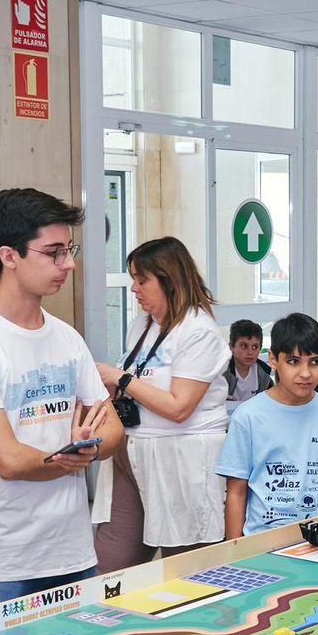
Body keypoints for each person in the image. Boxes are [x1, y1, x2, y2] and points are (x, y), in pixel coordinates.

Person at [0, 190, 120, 611]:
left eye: (69, 250)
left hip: (74, 550)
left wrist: (89, 449)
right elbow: (8, 460)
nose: (69, 264)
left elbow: (111, 429)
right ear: (9, 255)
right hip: (7, 563)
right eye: (54, 252)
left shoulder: (66, 337)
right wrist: (70, 457)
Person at [94, 237, 230, 566]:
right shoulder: (142, 323)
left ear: (169, 281)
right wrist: (117, 389)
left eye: (142, 281)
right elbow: (142, 380)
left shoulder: (199, 330)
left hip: (180, 456)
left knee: (181, 564)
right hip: (132, 448)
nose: (134, 289)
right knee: (111, 560)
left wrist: (122, 379)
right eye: (133, 280)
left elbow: (178, 407)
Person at [217, 313, 318, 538]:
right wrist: (234, 554)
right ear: (273, 359)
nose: (305, 373)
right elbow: (236, 492)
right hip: (263, 541)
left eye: (315, 361)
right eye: (293, 361)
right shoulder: (248, 416)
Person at [224, 319, 272, 406]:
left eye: (255, 347)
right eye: (244, 346)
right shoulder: (221, 372)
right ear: (231, 347)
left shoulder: (264, 374)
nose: (250, 352)